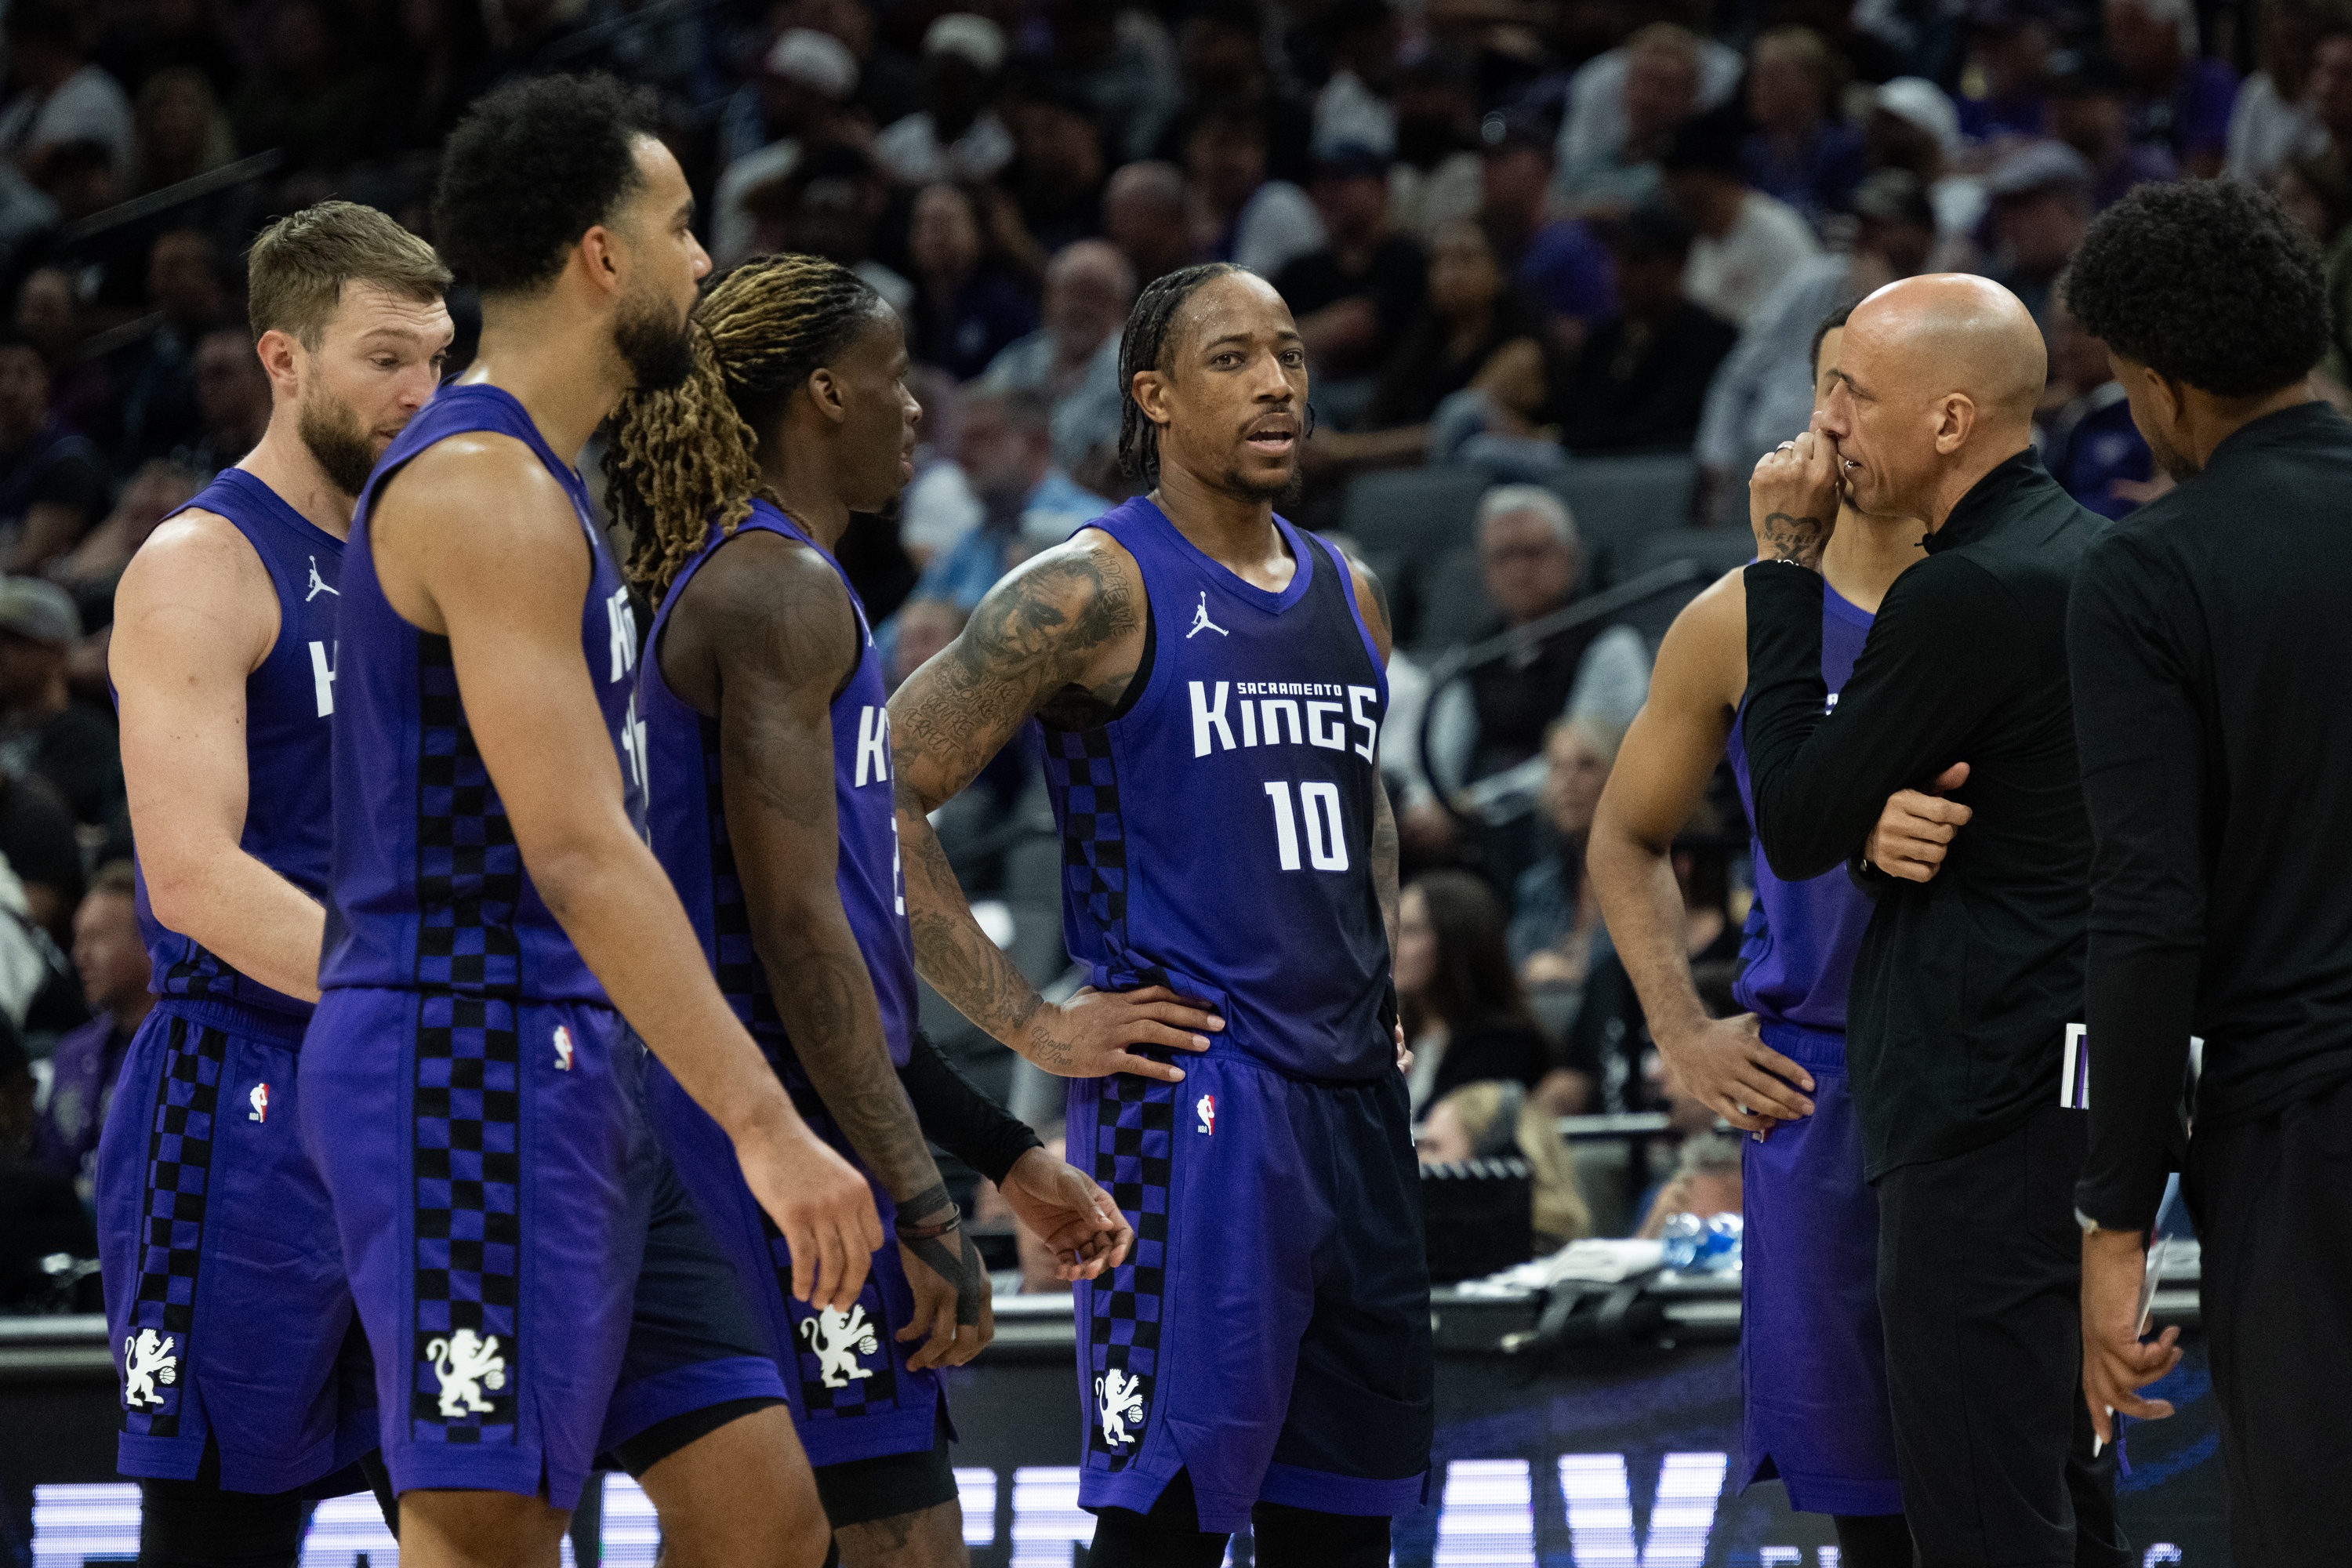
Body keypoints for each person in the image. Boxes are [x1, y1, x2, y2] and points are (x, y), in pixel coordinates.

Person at [301, 75, 880, 1562]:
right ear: (602, 257)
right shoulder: (484, 488)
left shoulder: (555, 481)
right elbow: (575, 847)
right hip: (463, 1055)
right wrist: (764, 1123)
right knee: (490, 1526)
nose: (703, 259)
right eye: (680, 227)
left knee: (764, 1514)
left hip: (578, 1057)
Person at [891, 261, 1430, 1564]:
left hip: (1356, 1102)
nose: (1278, 385)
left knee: (1347, 1530)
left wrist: (1379, 982)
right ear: (1154, 396)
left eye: (1290, 355)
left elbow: (1361, 801)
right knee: (1167, 1525)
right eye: (1234, 359)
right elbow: (871, 794)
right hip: (1195, 1100)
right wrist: (1032, 1026)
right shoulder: (1090, 588)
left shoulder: (1349, 589)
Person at [605, 252, 1134, 1564]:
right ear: (825, 394)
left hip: (750, 1119)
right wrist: (924, 1201)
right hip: (767, 1143)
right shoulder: (772, 590)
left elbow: (847, 973)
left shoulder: (752, 576)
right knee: (884, 1537)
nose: (914, 410)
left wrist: (999, 1153)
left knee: (763, 1534)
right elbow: (800, 944)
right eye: (892, 380)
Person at [1738, 274, 2119, 1566]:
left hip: (1974, 1094)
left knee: (1976, 1515)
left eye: (1854, 393)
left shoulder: (1958, 592)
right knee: (2060, 1481)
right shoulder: (2095, 555)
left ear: (1951, 421)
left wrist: (1782, 570)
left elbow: (1793, 813)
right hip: (2077, 1080)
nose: (1827, 422)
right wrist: (1875, 822)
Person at [94, 199, 452, 1563]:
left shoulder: (428, 559)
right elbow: (194, 878)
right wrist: (419, 1002)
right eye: (385, 359)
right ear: (284, 359)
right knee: (221, 1536)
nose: (420, 392)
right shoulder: (202, 562)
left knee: (477, 1511)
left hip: (414, 1083)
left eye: (436, 358)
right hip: (249, 1088)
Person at [1588, 303, 1921, 1563]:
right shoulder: (1737, 616)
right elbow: (1626, 838)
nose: (1831, 420)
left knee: (2019, 1475)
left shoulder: (2016, 589)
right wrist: (1682, 1032)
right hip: (1818, 1082)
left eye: (1862, 391)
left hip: (1985, 1066)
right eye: (1826, 387)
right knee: (1867, 1509)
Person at [2062, 179, 2352, 1566]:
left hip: (2307, 1133)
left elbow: (2147, 910)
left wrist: (2116, 1214)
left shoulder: (2149, 573)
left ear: (2161, 387)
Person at [1556, 205, 1738, 451]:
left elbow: (1662, 426)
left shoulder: (1710, 341)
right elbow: (1572, 416)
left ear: (1678, 264)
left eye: (1638, 261)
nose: (1621, 274)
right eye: (1617, 258)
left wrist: (1579, 438)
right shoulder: (1604, 338)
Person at [1396, 870, 1551, 1114]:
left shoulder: (1502, 1046)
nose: (1392, 945)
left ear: (1455, 941)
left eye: (1410, 930)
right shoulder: (1392, 1034)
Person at [31, 863, 144, 1196]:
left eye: (96, 938)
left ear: (149, 944)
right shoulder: (71, 1053)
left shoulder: (183, 1056)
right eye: (77, 938)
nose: (79, 955)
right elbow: (48, 1172)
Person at [0, 575, 121, 838]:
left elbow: (41, 816)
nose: (2, 654)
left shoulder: (87, 735)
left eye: (12, 642)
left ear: (57, 653)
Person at [0, 333, 107, 572]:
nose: (8, 388)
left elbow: (28, 561)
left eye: (23, 374)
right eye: (0, 373)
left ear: (45, 381)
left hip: (48, 588)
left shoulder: (69, 461)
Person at [2105, 0, 2238, 180]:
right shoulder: (2121, 94)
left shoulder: (2208, 82)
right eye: (2114, 29)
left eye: (2132, 26)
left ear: (2171, 28)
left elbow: (2205, 180)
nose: (2120, 40)